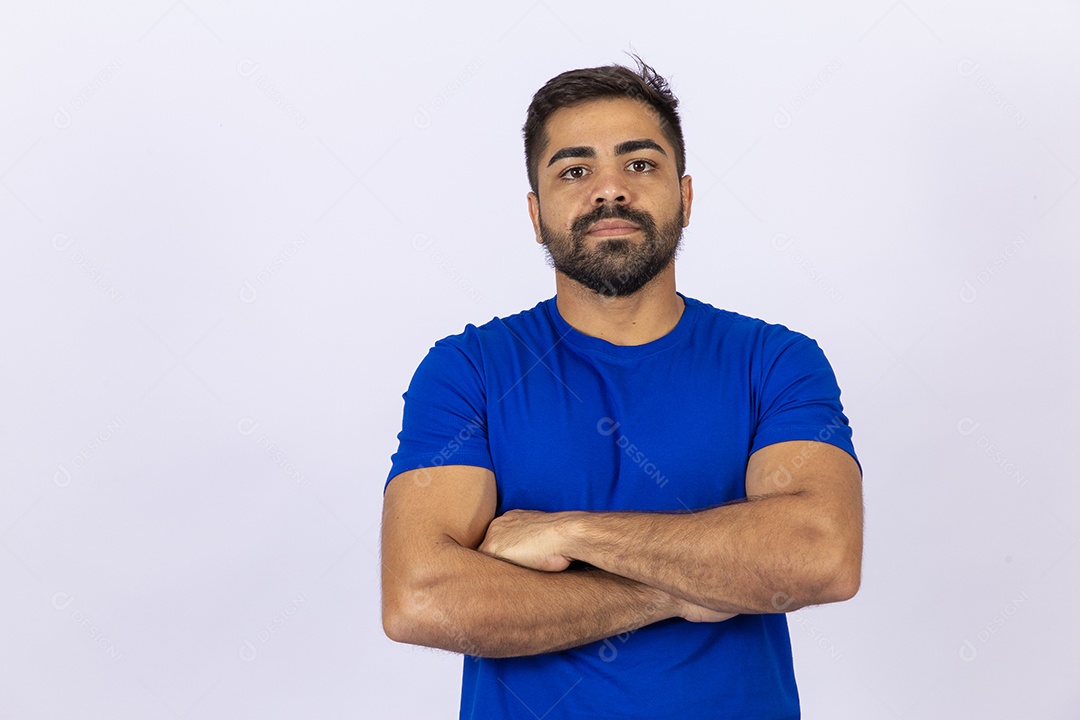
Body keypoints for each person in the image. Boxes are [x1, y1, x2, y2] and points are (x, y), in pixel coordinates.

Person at [381, 56, 863, 719]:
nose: (610, 190)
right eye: (574, 171)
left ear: (685, 198)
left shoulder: (774, 361)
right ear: (535, 212)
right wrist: (678, 590)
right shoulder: (469, 370)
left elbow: (821, 554)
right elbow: (420, 598)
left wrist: (571, 533)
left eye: (639, 164)